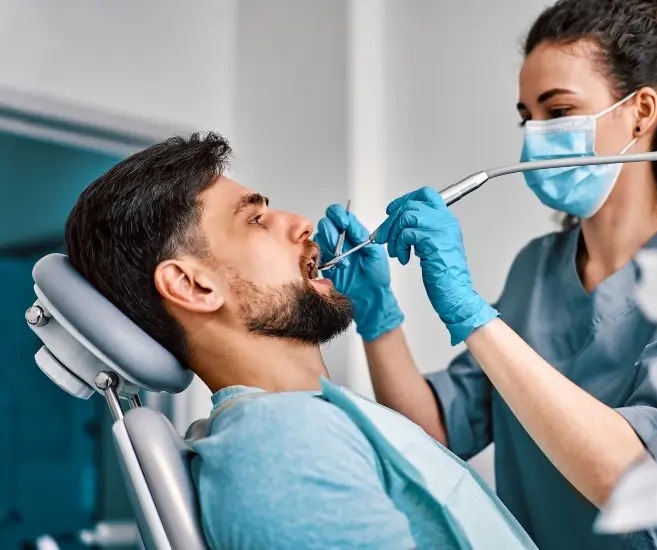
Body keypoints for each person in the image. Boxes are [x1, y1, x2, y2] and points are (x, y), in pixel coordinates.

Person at [315, 0, 657, 548]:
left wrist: (472, 314)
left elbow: (633, 478)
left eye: (558, 111)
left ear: (641, 111)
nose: (534, 137)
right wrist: (377, 315)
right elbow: (435, 430)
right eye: (527, 116)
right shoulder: (536, 270)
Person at [64, 133, 537, 550]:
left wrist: (381, 317)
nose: (301, 224)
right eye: (254, 220)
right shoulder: (279, 448)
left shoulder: (300, 424)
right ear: (193, 286)